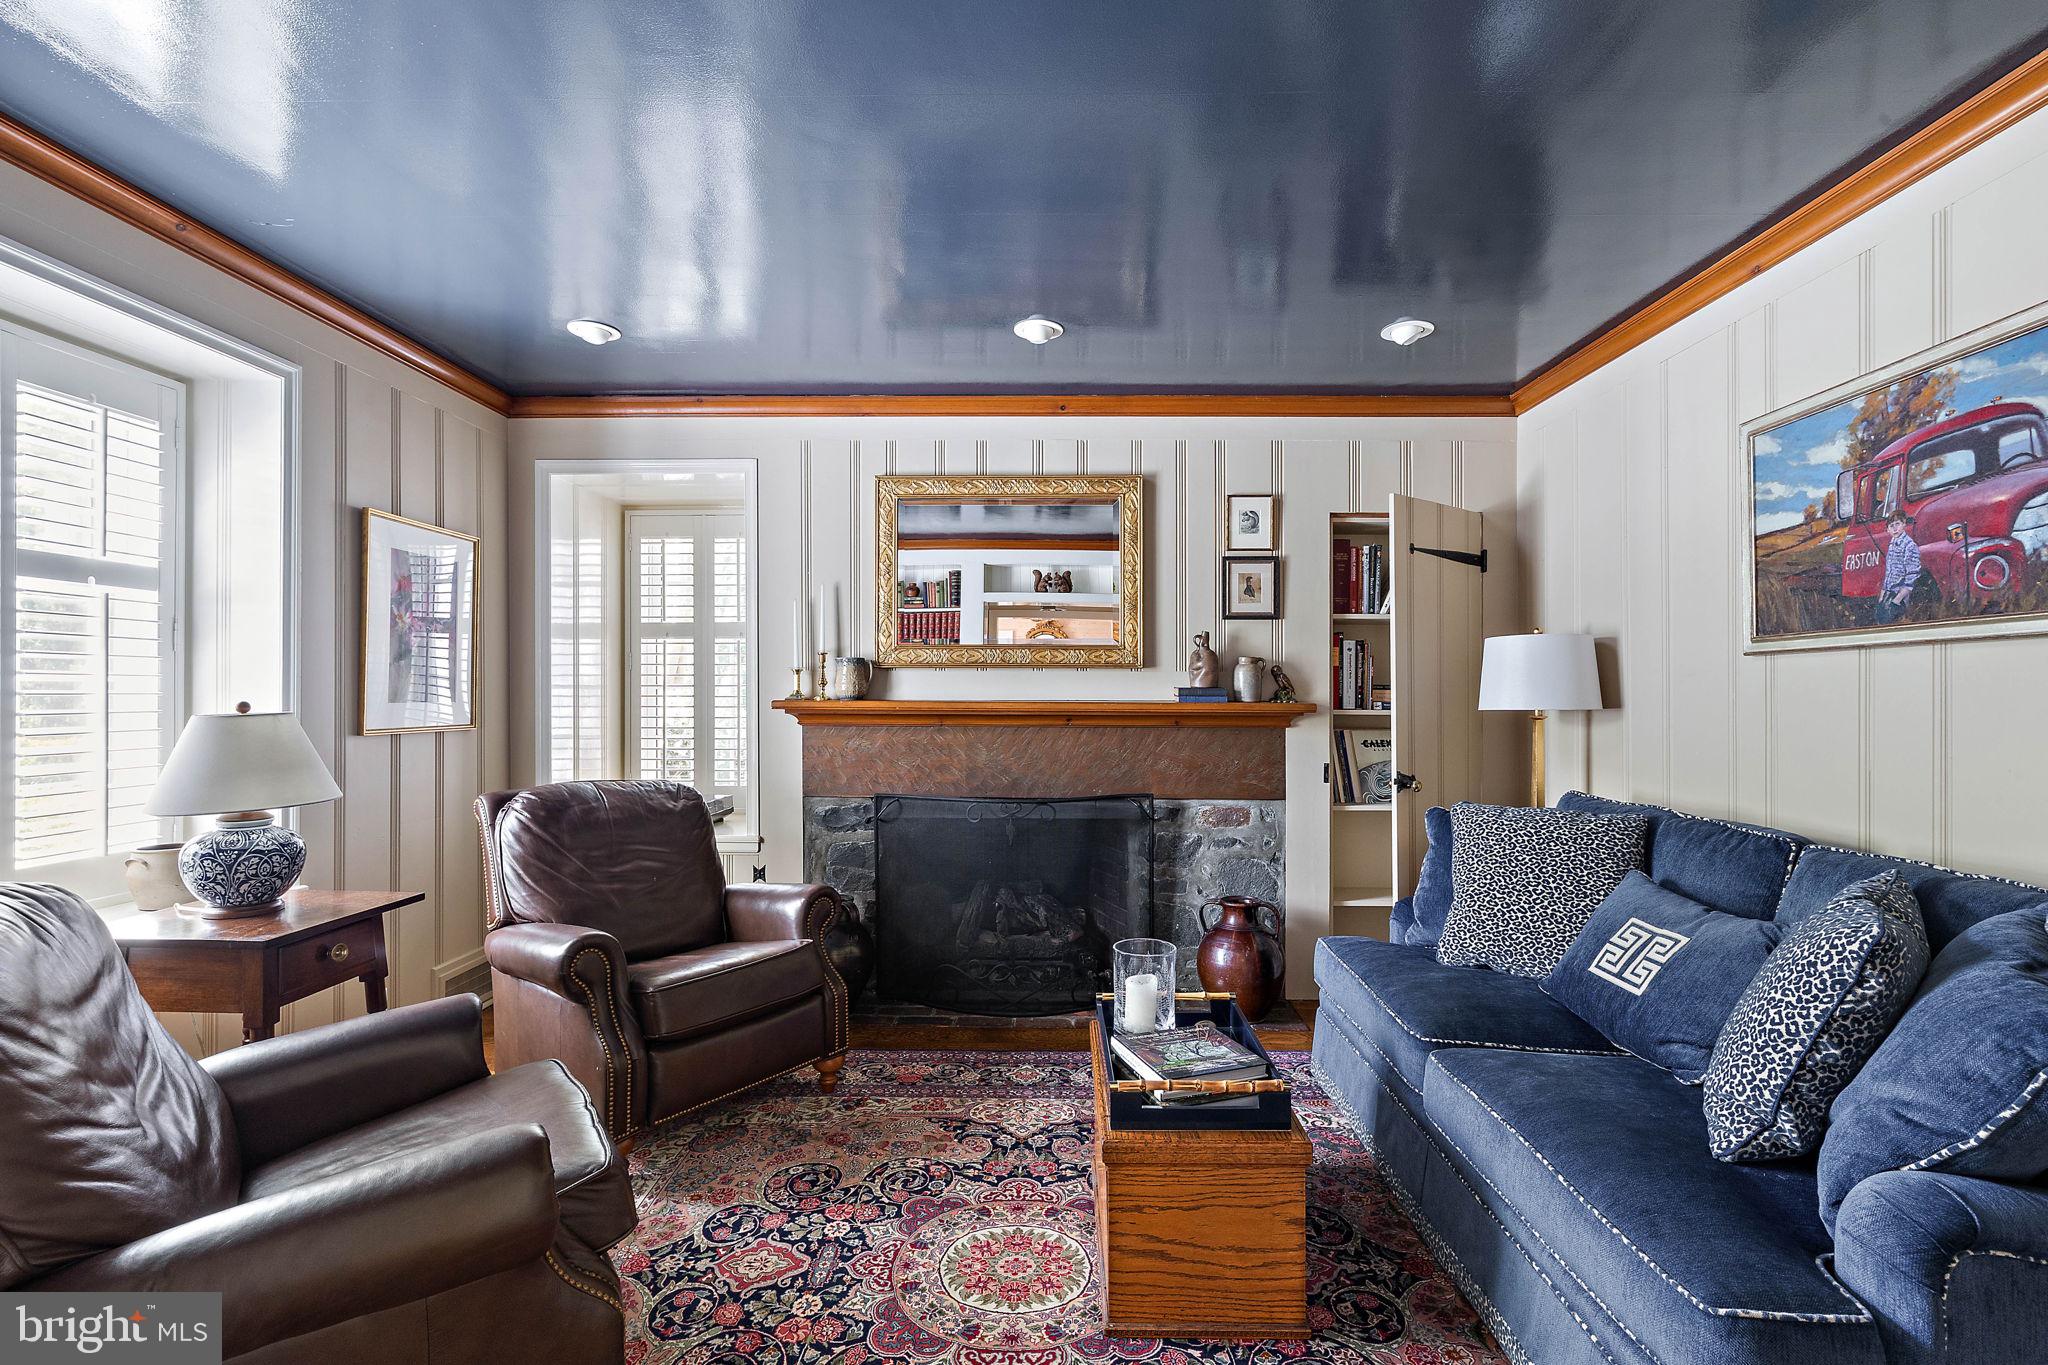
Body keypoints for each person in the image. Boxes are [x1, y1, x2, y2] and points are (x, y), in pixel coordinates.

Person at [1874, 511, 1922, 625]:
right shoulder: (1892, 545)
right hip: (1889, 594)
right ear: (1887, 530)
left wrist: (1897, 600)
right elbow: (1889, 573)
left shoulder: (1909, 546)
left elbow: (1912, 576)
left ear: (1904, 524)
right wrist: (1882, 597)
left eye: (1898, 524)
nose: (1895, 529)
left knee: (1897, 623)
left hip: (1901, 596)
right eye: (1891, 526)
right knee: (1881, 620)